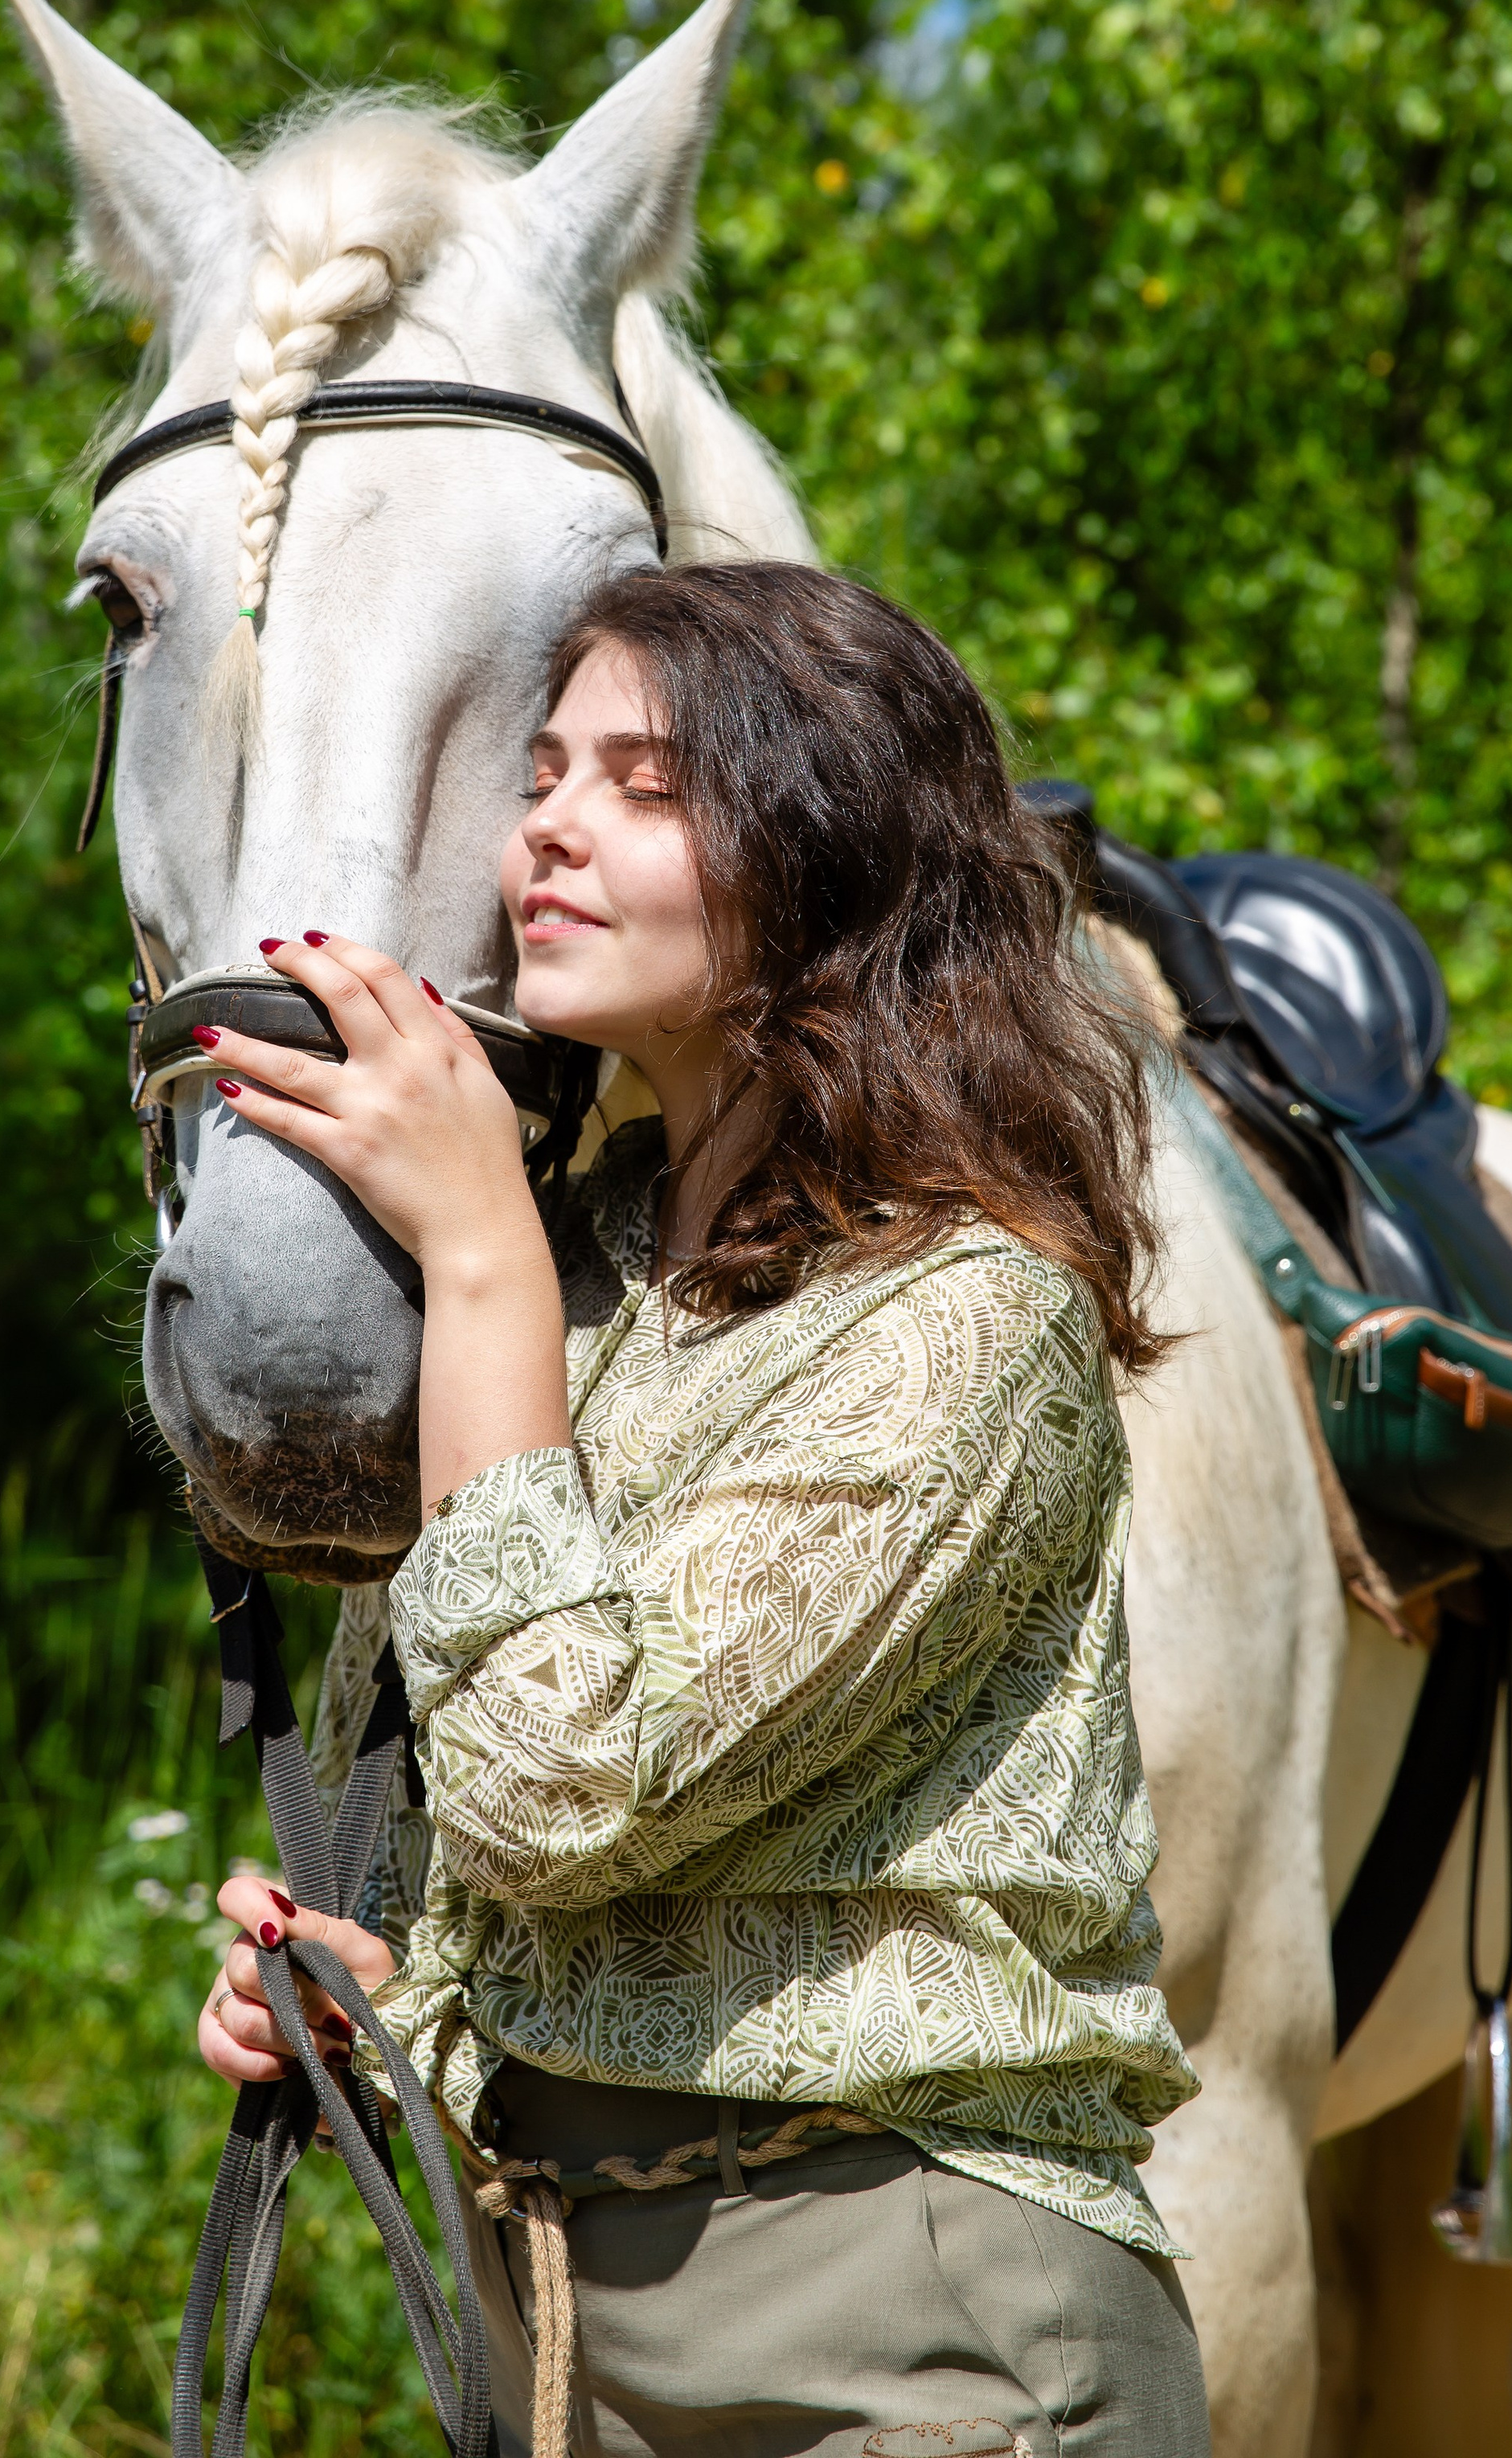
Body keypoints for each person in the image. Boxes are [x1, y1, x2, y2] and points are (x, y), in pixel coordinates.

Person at [192, 562, 1207, 2458]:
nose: (546, 827)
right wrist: (378, 1995)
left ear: (828, 858)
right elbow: (502, 1807)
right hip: (558, 2320)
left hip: (907, 2332)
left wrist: (475, 1245)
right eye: (547, 772)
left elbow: (563, 1786)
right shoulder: (571, 1272)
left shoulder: (966, 1314)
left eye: (646, 785)